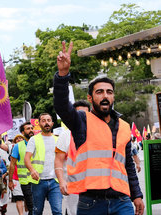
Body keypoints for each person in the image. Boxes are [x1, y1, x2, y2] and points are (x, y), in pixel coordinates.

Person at [54, 41, 144, 215]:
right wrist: (63, 74)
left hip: (122, 201)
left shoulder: (124, 127)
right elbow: (62, 106)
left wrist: (137, 195)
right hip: (91, 203)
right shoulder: (81, 120)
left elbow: (128, 166)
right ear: (90, 97)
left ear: (113, 97)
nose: (105, 96)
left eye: (109, 92)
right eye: (99, 92)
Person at [54, 100, 90, 215]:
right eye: (78, 113)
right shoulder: (65, 135)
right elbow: (58, 160)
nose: (82, 117)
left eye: (85, 114)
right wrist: (61, 181)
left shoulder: (97, 133)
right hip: (73, 187)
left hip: (94, 185)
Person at [24, 113, 62, 215]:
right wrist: (32, 170)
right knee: (37, 211)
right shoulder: (34, 139)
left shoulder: (58, 140)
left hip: (55, 181)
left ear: (52, 123)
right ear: (39, 124)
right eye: (43, 120)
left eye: (48, 120)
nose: (46, 123)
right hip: (39, 182)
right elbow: (26, 158)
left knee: (57, 211)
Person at [8, 122, 35, 215]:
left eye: (32, 128)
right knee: (32, 206)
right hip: (25, 181)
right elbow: (12, 164)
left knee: (36, 206)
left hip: (38, 180)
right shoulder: (17, 146)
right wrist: (10, 180)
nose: (31, 130)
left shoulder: (38, 143)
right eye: (28, 129)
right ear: (23, 132)